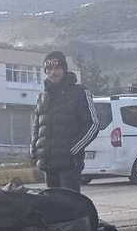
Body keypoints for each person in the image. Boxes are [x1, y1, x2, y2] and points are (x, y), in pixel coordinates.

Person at [31, 51, 98, 191]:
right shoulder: (42, 97)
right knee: (52, 207)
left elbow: (93, 125)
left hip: (69, 164)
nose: (53, 73)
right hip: (47, 164)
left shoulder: (79, 92)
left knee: (71, 207)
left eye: (57, 68)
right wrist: (34, 149)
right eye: (49, 69)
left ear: (64, 69)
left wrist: (73, 149)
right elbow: (36, 125)